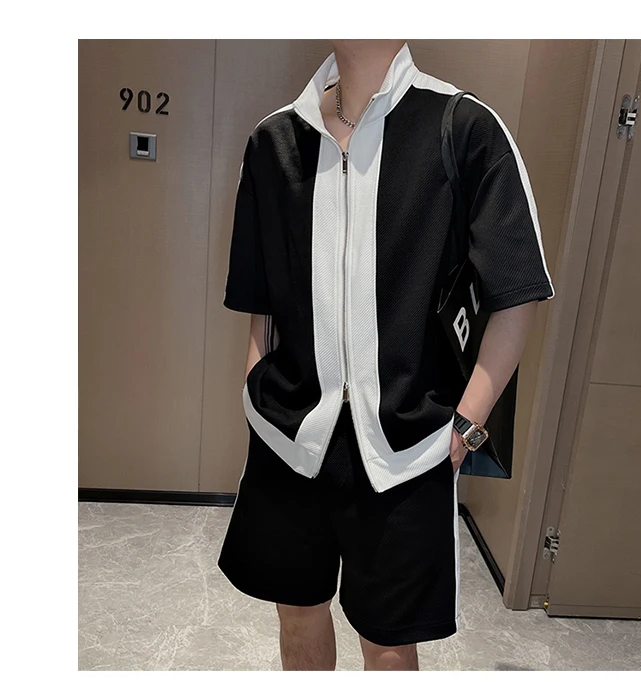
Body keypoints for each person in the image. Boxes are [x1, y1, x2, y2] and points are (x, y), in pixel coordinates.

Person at [217, 39, 555, 671]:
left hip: (409, 445)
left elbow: (518, 289)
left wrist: (466, 425)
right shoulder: (276, 141)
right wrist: (255, 392)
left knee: (391, 644)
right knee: (297, 612)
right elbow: (258, 300)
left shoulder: (464, 127)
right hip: (291, 434)